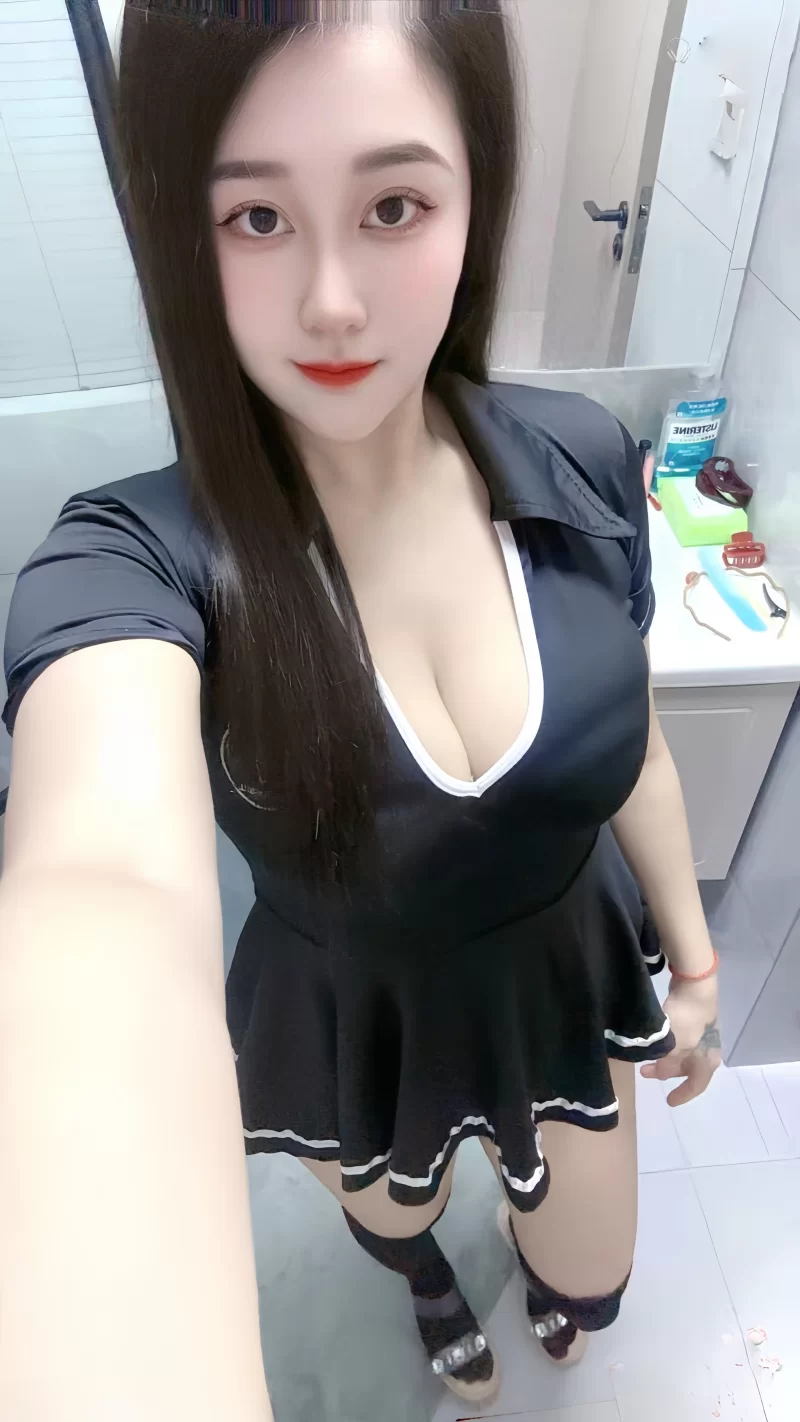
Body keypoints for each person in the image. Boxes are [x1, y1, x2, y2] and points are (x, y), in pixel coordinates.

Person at [0, 1, 721, 1415]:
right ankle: (430, 1285)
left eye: (393, 205)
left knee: (590, 1276)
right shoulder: (138, 561)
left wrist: (692, 961)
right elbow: (99, 888)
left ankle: (533, 1288)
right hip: (352, 1005)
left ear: (476, 197)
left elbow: (627, 740)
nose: (332, 301)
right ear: (179, 229)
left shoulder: (581, 459)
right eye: (256, 218)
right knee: (398, 1219)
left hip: (567, 966)